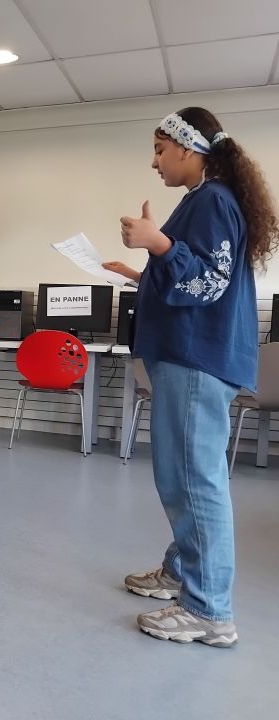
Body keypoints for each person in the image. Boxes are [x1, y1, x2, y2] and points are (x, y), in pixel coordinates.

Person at [118, 108, 278, 648]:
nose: (155, 161)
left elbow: (206, 283)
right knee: (186, 476)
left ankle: (210, 611)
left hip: (197, 360)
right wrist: (145, 271)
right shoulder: (206, 200)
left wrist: (156, 243)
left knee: (192, 479)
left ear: (189, 148)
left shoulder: (211, 200)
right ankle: (183, 574)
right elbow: (202, 275)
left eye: (161, 149)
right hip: (195, 357)